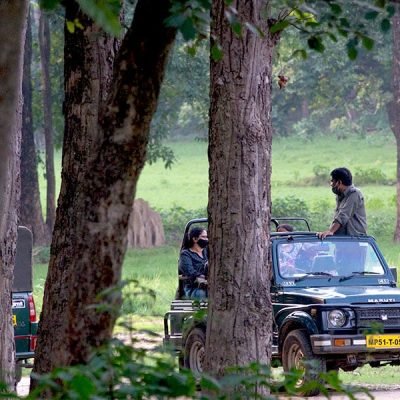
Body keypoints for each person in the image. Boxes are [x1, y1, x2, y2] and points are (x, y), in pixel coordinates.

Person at [317, 167, 367, 239]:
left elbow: (343, 215)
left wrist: (331, 231)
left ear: (339, 182)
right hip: (342, 240)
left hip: (355, 240)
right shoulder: (340, 195)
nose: (331, 184)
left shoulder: (354, 194)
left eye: (332, 181)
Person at [178, 226, 208, 299]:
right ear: (195, 239)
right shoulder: (185, 254)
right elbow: (190, 272)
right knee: (203, 294)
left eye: (207, 237)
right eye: (203, 237)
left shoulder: (206, 251)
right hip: (194, 288)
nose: (206, 239)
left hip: (209, 285)